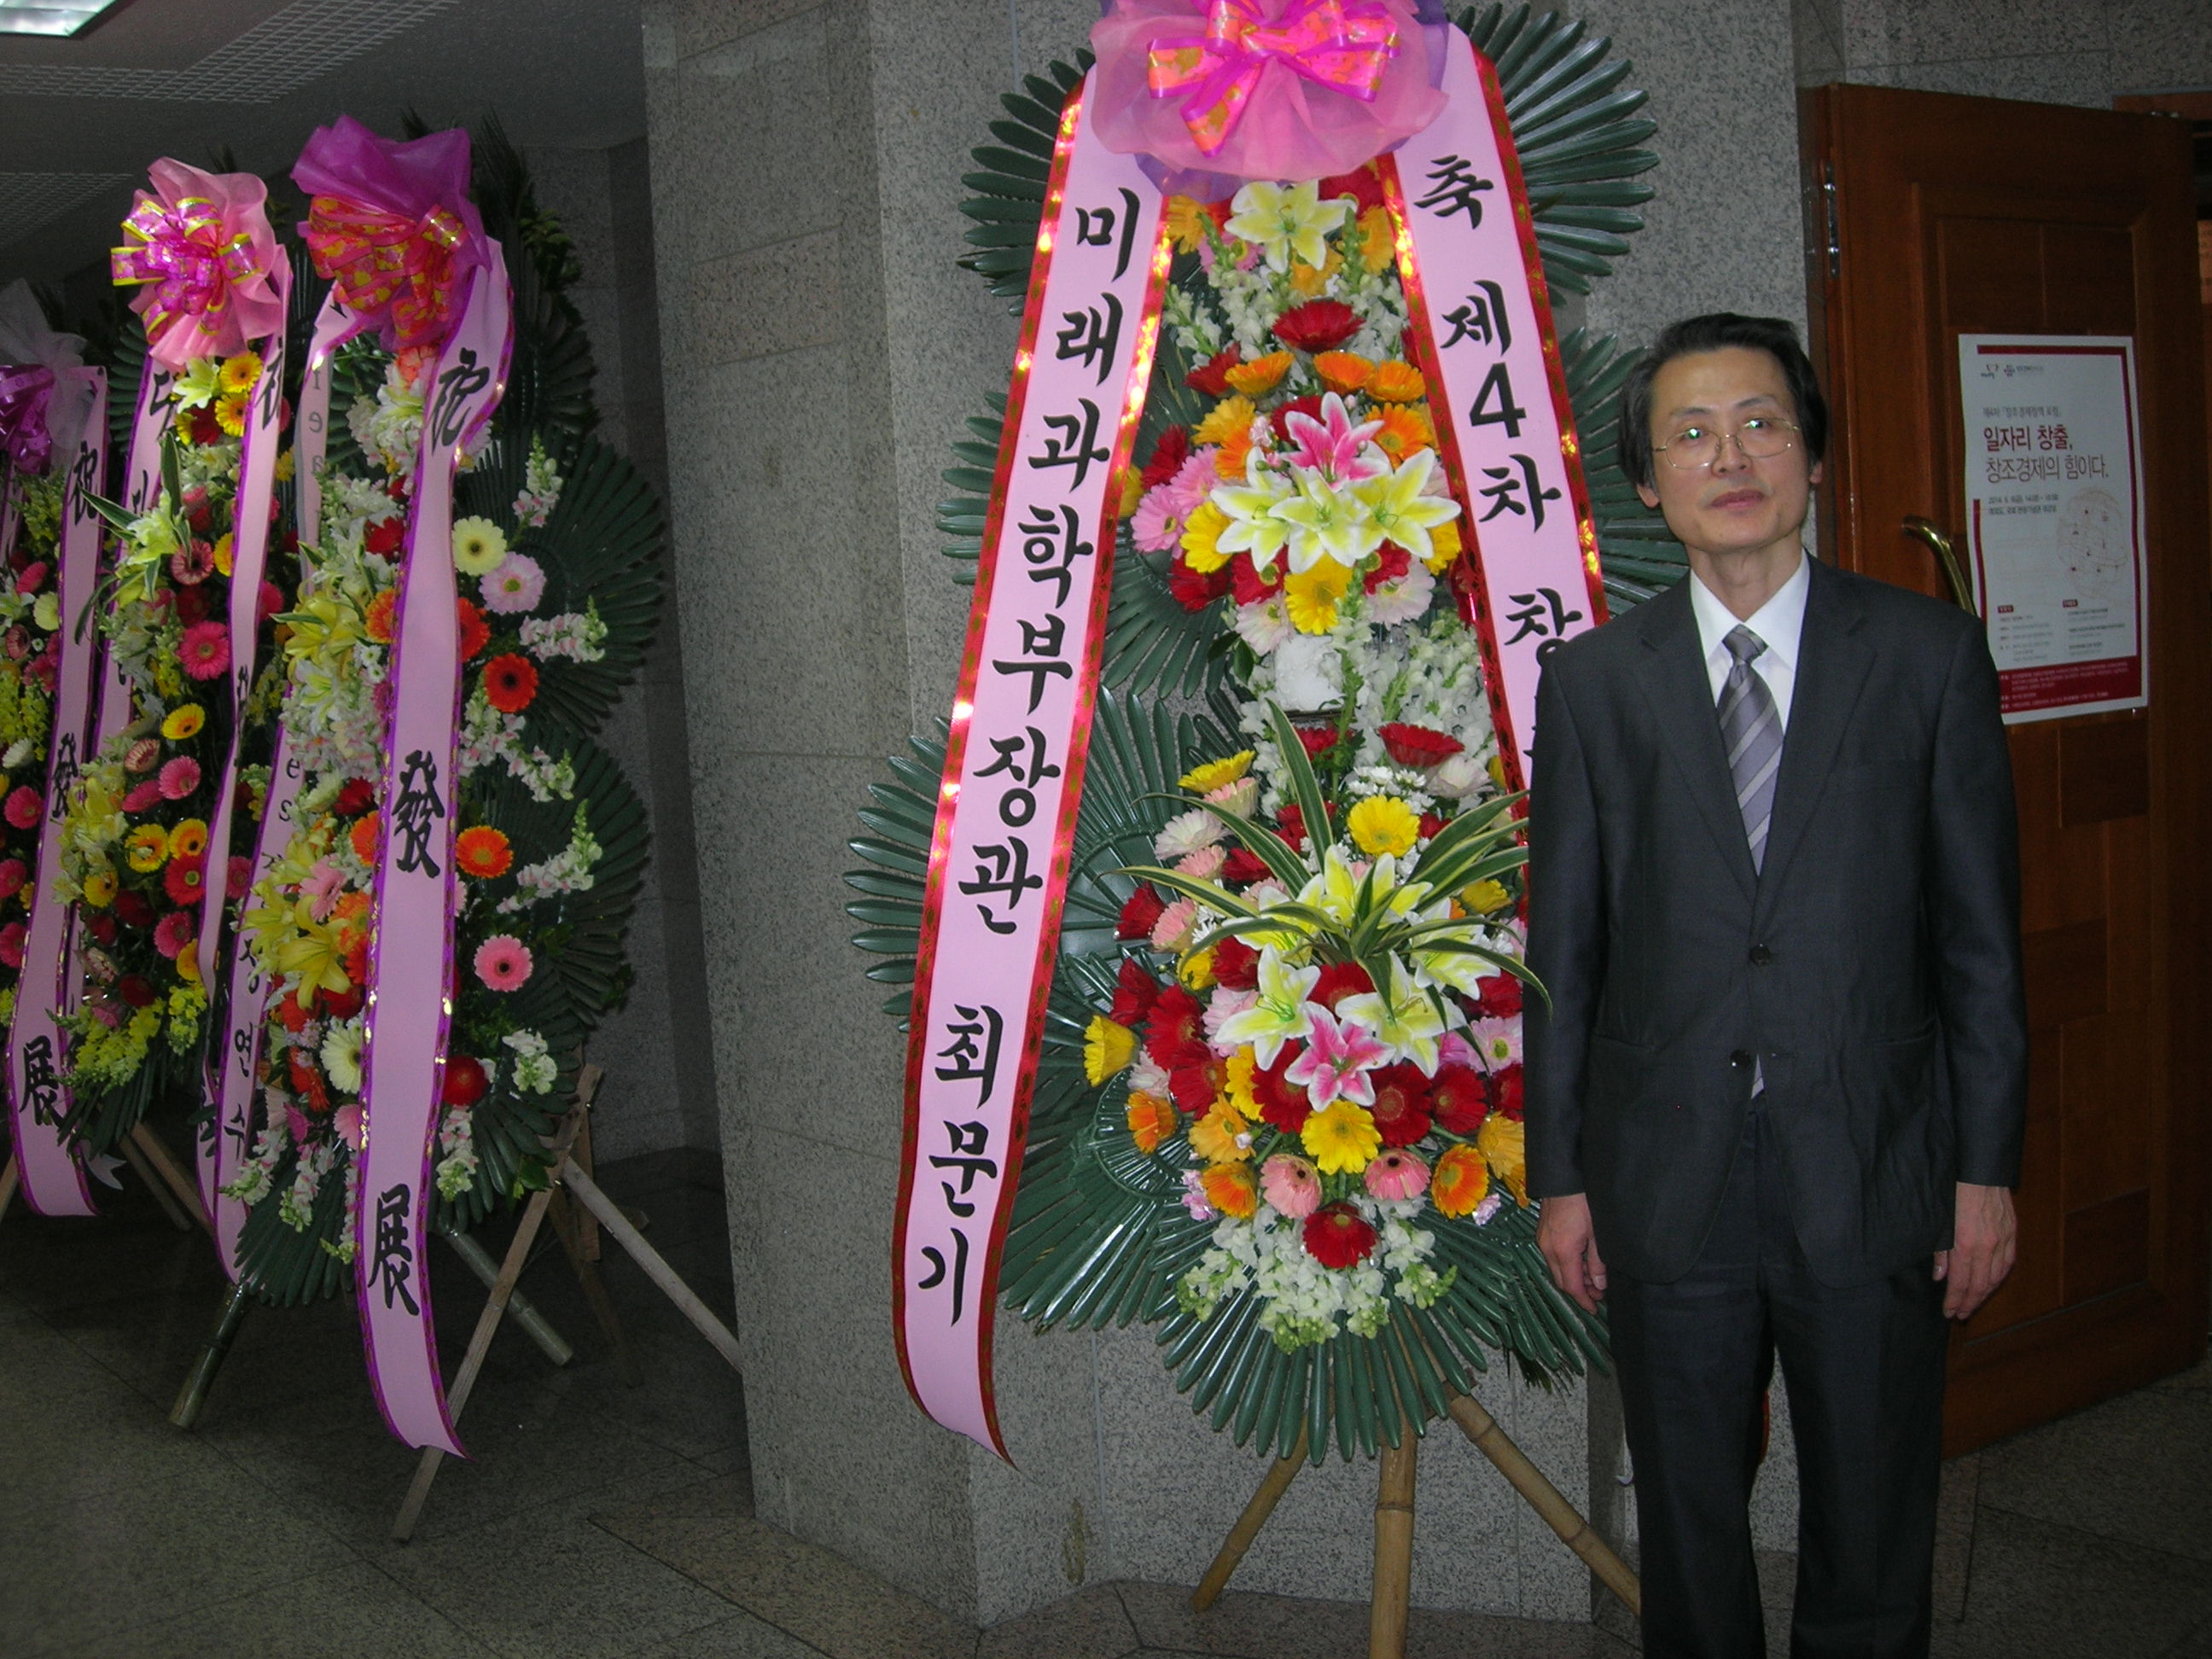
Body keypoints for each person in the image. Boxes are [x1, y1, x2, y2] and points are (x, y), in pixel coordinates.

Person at [1522, 313, 2028, 1657]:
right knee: (1687, 1513)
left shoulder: (1926, 657)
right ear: (1649, 483)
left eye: (1761, 423)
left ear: (1811, 455)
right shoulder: (1594, 683)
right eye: (1690, 434)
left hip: (1874, 1157)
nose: (1729, 457)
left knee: (1875, 1500)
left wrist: (1985, 1174)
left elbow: (1981, 946)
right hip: (1665, 1172)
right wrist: (1560, 1178)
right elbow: (1565, 954)